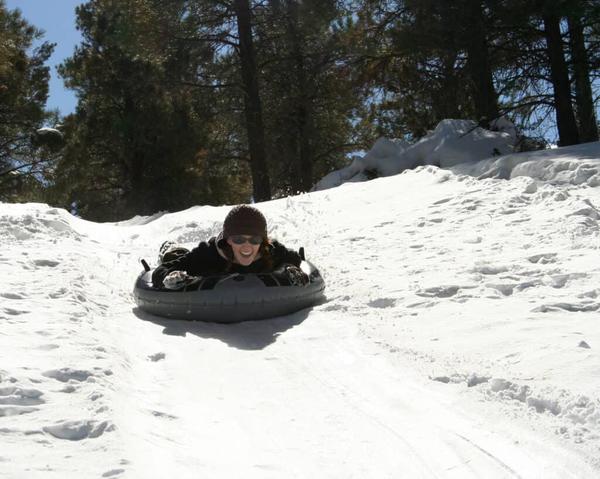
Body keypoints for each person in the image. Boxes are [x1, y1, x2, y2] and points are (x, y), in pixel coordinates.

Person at [152, 205, 303, 290]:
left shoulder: (271, 251)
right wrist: (171, 276)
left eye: (254, 240)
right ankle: (171, 248)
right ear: (228, 240)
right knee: (175, 255)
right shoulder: (209, 253)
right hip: (194, 264)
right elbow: (162, 270)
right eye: (238, 239)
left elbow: (294, 259)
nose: (247, 246)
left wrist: (289, 269)